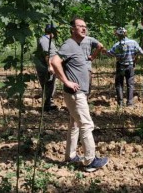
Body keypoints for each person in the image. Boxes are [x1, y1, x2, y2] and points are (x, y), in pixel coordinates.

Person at [49, 17, 109, 172]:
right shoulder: (69, 44)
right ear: (72, 29)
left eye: (85, 26)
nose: (84, 29)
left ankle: (70, 155)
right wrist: (66, 81)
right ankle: (90, 161)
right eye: (80, 26)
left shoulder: (76, 45)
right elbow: (55, 61)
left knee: (75, 124)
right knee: (87, 124)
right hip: (76, 94)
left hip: (78, 93)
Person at [106, 27, 143, 107]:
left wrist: (103, 51)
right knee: (130, 84)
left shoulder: (116, 45)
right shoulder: (133, 42)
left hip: (120, 66)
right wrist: (135, 58)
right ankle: (130, 103)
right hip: (130, 65)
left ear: (118, 35)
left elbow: (110, 53)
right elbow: (141, 52)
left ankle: (120, 103)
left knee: (119, 84)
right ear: (126, 34)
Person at [33, 24, 58, 112]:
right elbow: (46, 54)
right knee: (48, 86)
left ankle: (49, 104)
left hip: (50, 67)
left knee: (51, 86)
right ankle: (47, 107)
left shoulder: (49, 40)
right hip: (45, 68)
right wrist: (50, 66)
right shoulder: (44, 40)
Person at [80, 33, 104, 97]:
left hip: (74, 67)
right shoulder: (89, 39)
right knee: (87, 86)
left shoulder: (71, 40)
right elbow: (100, 46)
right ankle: (85, 102)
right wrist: (93, 56)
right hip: (86, 66)